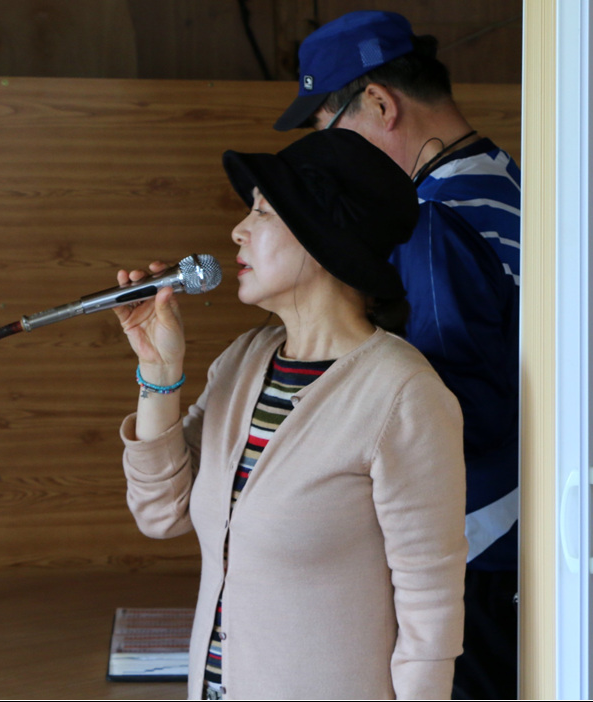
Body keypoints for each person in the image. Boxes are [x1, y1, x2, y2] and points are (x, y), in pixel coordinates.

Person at [114, 129, 468, 700]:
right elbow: (160, 512)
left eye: (263, 211)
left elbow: (430, 604)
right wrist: (158, 371)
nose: (238, 230)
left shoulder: (404, 394)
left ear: (322, 235)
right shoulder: (243, 361)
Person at [275, 10, 521, 699]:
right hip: (522, 526)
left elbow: (448, 407)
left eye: (327, 130)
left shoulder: (435, 217)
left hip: (479, 538)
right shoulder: (500, 176)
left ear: (380, 104)